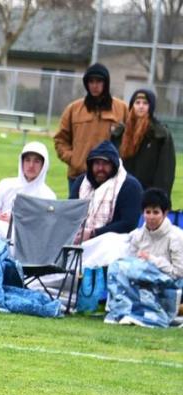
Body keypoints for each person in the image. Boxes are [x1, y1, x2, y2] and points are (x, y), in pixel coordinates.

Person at [105, 188, 183, 327]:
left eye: (156, 212)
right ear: (143, 213)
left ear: (165, 214)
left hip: (169, 284)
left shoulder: (176, 236)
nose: (151, 217)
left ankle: (156, 317)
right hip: (142, 281)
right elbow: (128, 264)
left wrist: (151, 260)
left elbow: (178, 273)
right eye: (148, 212)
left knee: (127, 267)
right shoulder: (137, 235)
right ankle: (123, 311)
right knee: (117, 268)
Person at [68, 140, 144, 268]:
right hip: (77, 241)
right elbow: (68, 213)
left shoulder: (129, 186)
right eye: (97, 163)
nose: (100, 168)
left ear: (114, 165)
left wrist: (93, 233)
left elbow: (128, 224)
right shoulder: (81, 183)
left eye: (105, 164)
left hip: (111, 246)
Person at [53, 63, 129, 183]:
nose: (95, 85)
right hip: (78, 176)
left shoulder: (122, 108)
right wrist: (74, 159)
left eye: (99, 81)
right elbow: (60, 139)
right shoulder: (73, 109)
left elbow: (130, 140)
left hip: (110, 177)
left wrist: (118, 160)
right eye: (91, 81)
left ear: (106, 83)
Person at [0, 142, 55, 239]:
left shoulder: (48, 195)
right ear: (22, 162)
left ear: (43, 165)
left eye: (36, 161)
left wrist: (15, 220)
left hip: (28, 239)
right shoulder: (5, 184)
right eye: (27, 160)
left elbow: (44, 226)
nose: (31, 165)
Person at [118, 88, 175, 195]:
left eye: (145, 103)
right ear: (132, 105)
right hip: (122, 193)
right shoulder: (120, 133)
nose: (141, 106)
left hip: (148, 194)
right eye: (137, 102)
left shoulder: (160, 135)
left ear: (151, 107)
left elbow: (165, 172)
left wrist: (158, 196)